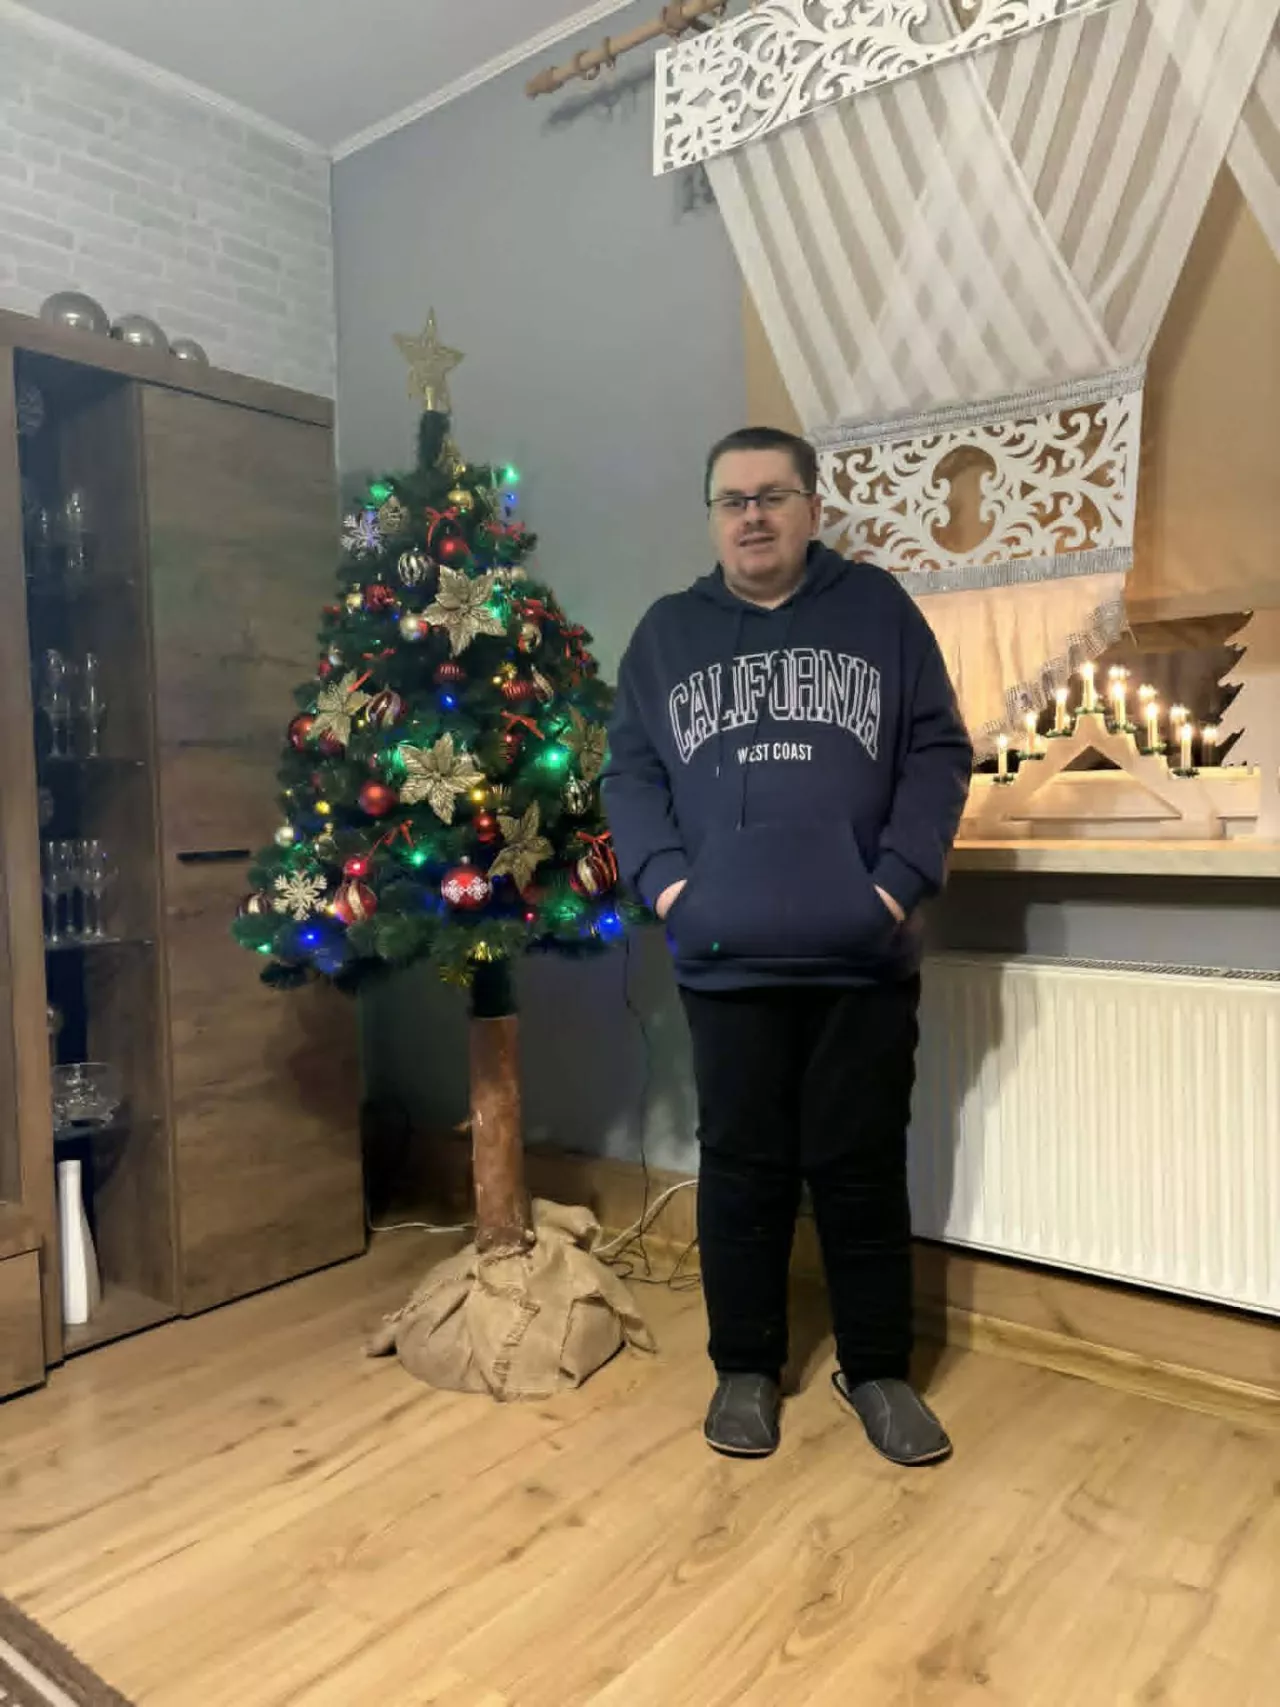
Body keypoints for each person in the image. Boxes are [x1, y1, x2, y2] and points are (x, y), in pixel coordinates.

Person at [601, 426, 972, 1466]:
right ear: (712, 517)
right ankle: (745, 1368)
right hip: (726, 960)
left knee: (861, 1165)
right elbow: (629, 774)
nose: (752, 516)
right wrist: (671, 887)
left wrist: (892, 886)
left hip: (862, 955)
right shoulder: (667, 635)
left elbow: (938, 748)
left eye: (772, 495)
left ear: (813, 507)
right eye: (732, 500)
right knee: (742, 1168)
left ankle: (878, 1368)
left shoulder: (878, 612)